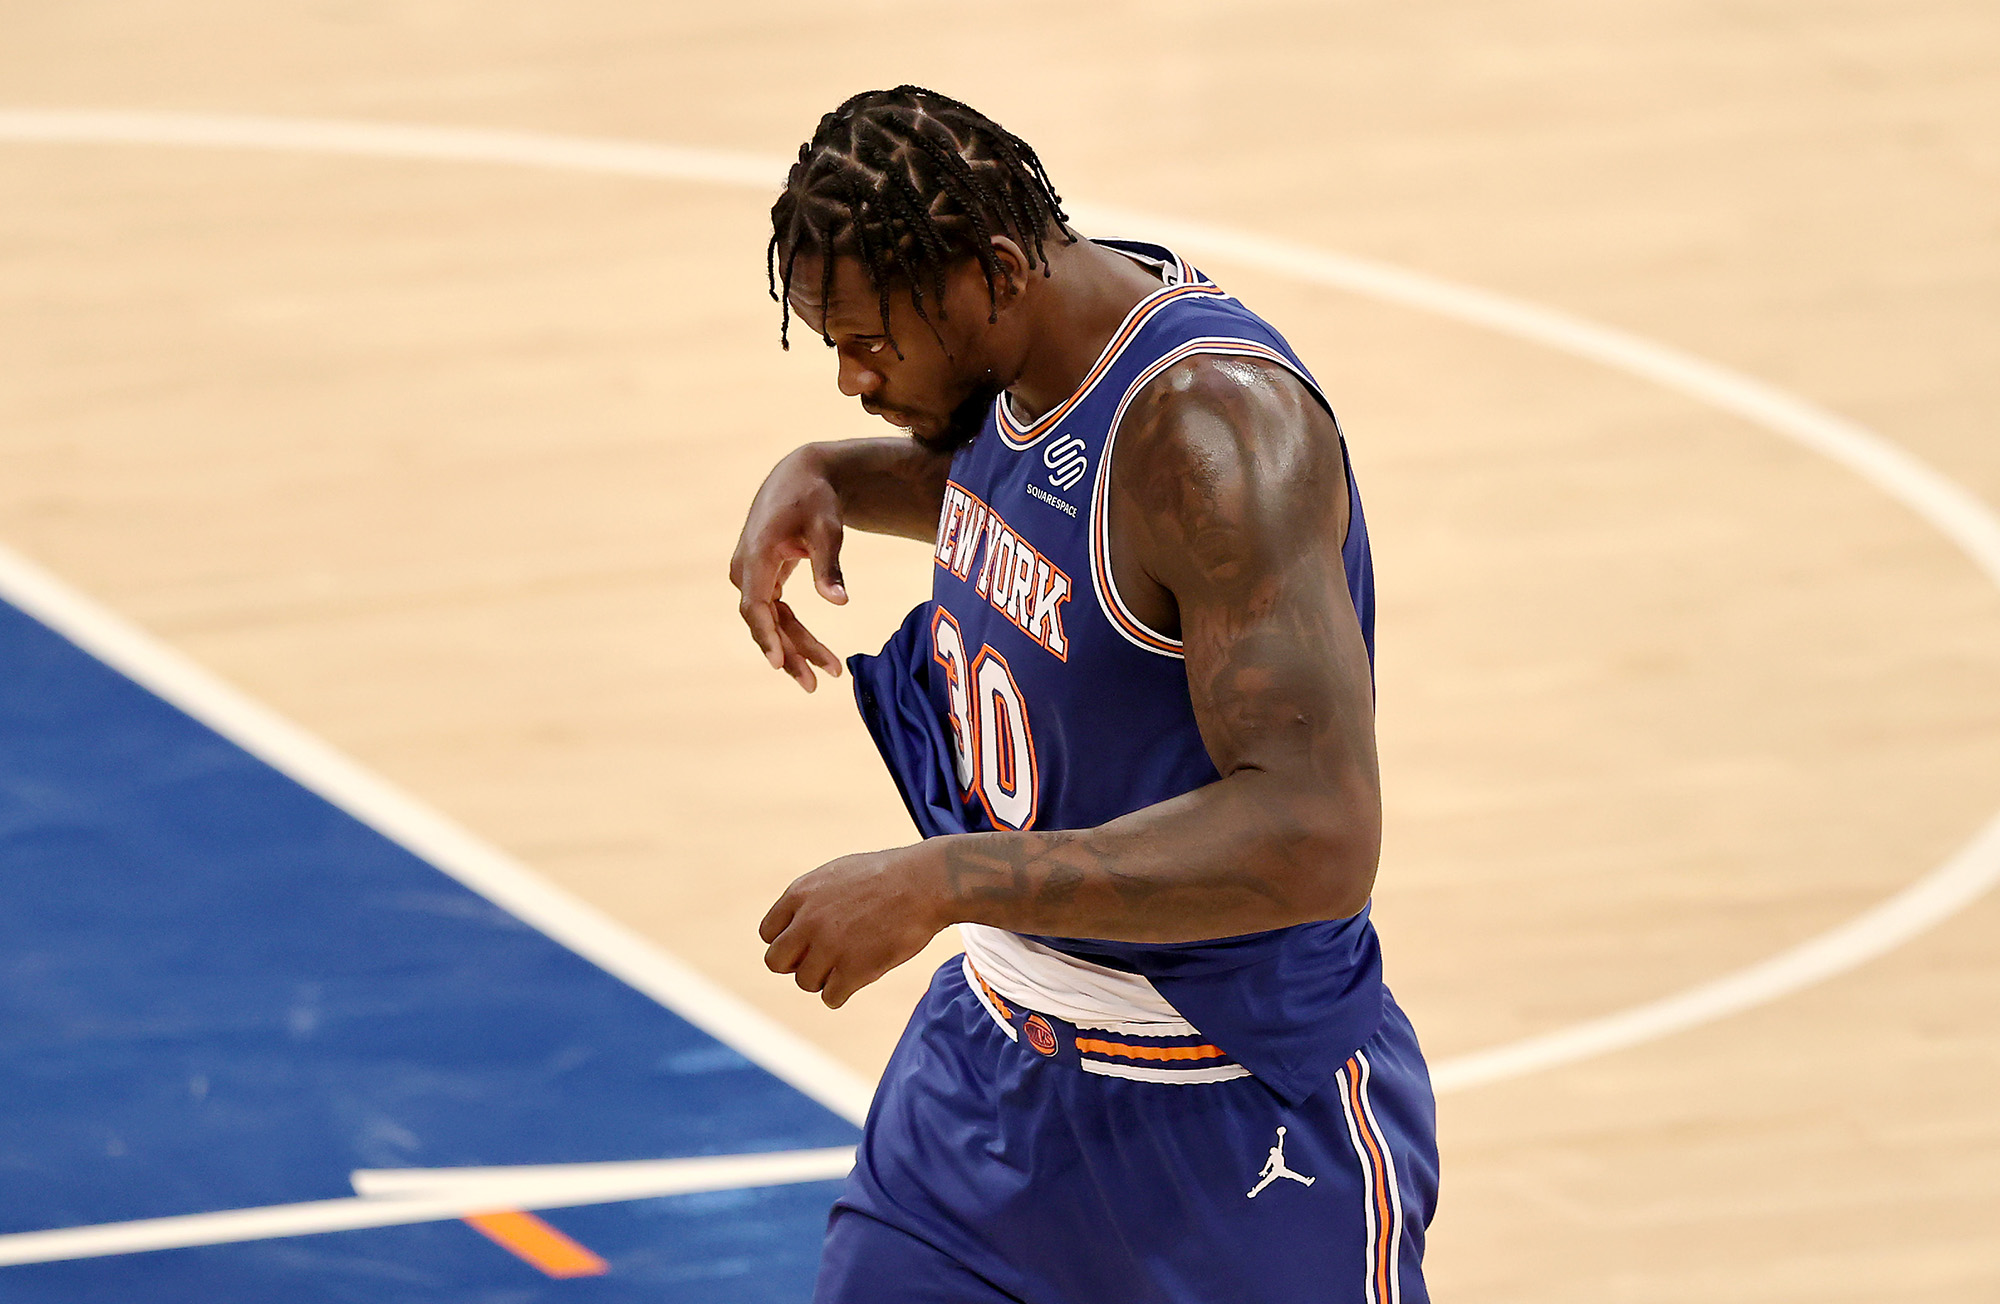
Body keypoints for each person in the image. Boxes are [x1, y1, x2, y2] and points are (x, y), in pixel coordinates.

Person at [730, 86, 1439, 1304]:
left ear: (996, 275)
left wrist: (939, 879)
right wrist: (828, 472)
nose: (849, 378)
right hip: (987, 1075)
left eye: (871, 342)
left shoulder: (1212, 435)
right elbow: (1033, 489)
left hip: (1230, 1105)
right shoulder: (1029, 356)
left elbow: (1315, 831)